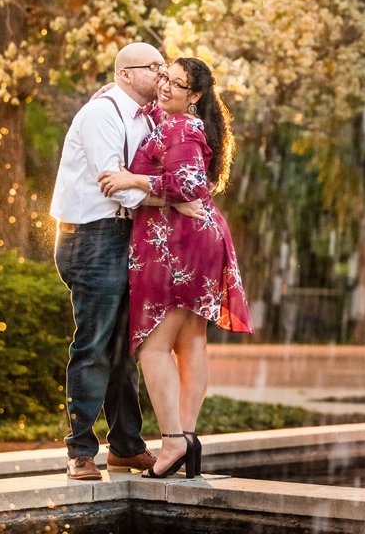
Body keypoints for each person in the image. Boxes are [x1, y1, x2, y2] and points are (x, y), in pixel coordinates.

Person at [50, 42, 201, 480]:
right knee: (94, 344)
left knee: (123, 347)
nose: (161, 74)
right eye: (152, 67)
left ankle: (126, 447)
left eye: (162, 66)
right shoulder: (102, 114)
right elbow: (114, 183)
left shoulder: (144, 116)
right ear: (125, 74)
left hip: (123, 235)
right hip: (91, 238)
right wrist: (169, 200)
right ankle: (80, 452)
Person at [98, 57, 254, 478]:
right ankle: (187, 437)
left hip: (178, 244)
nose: (165, 86)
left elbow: (188, 186)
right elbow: (178, 179)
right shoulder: (171, 119)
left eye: (176, 84)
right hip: (192, 237)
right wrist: (107, 96)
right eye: (164, 76)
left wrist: (133, 180)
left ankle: (171, 443)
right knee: (189, 342)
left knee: (152, 346)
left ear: (195, 96)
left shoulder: (182, 128)